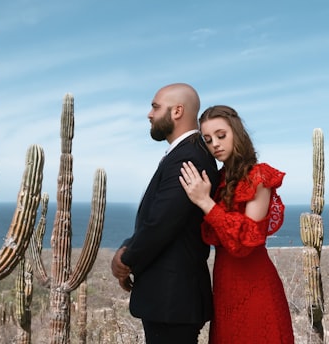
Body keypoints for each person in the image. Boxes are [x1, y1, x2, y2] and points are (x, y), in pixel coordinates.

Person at [110, 83, 222, 344]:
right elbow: (160, 216)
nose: (149, 114)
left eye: (155, 106)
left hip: (173, 299)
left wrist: (126, 260)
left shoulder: (189, 157)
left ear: (177, 111)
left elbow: (162, 222)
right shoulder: (185, 154)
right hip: (171, 300)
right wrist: (129, 246)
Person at [178, 105, 295, 344]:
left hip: (255, 286)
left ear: (237, 133)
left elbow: (245, 241)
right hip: (224, 287)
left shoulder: (258, 176)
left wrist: (205, 202)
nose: (215, 144)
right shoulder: (217, 180)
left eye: (221, 135)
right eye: (208, 140)